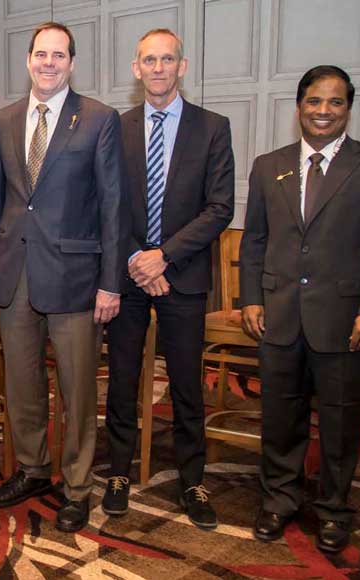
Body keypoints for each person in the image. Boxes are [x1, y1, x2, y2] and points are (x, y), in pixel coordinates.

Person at [240, 65, 360, 553]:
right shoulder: (269, 165)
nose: (323, 111)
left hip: (346, 320)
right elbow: (254, 240)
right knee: (279, 416)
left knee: (338, 421)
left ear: (348, 109)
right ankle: (279, 499)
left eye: (335, 102)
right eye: (314, 101)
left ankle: (335, 509)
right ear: (299, 106)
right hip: (278, 315)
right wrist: (251, 297)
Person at [0, 22, 125, 534]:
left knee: (77, 388)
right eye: (40, 54)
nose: (48, 62)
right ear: (27, 59)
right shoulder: (3, 119)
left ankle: (79, 486)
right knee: (21, 382)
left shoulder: (99, 119)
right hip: (16, 273)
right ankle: (32, 469)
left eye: (58, 55)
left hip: (77, 278)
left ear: (72, 62)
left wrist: (111, 282)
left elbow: (112, 206)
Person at [104, 28, 233, 528]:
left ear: (182, 66)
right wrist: (140, 257)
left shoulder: (212, 127)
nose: (158, 68)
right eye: (148, 60)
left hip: (184, 273)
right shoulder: (116, 127)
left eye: (167, 59)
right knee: (121, 379)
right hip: (130, 272)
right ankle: (117, 472)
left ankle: (192, 479)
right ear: (136, 70)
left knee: (185, 385)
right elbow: (106, 201)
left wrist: (165, 256)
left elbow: (220, 206)